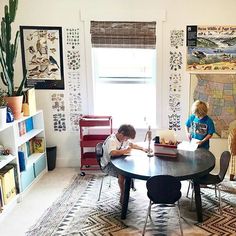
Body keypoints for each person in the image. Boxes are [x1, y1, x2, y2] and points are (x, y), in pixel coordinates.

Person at [101, 124, 148, 203]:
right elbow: (112, 153)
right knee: (123, 174)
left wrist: (142, 148)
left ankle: (127, 189)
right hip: (108, 165)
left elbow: (132, 145)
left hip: (116, 161)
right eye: (127, 137)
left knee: (131, 168)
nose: (127, 140)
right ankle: (123, 195)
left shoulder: (122, 139)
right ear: (121, 133)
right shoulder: (112, 140)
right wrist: (125, 151)